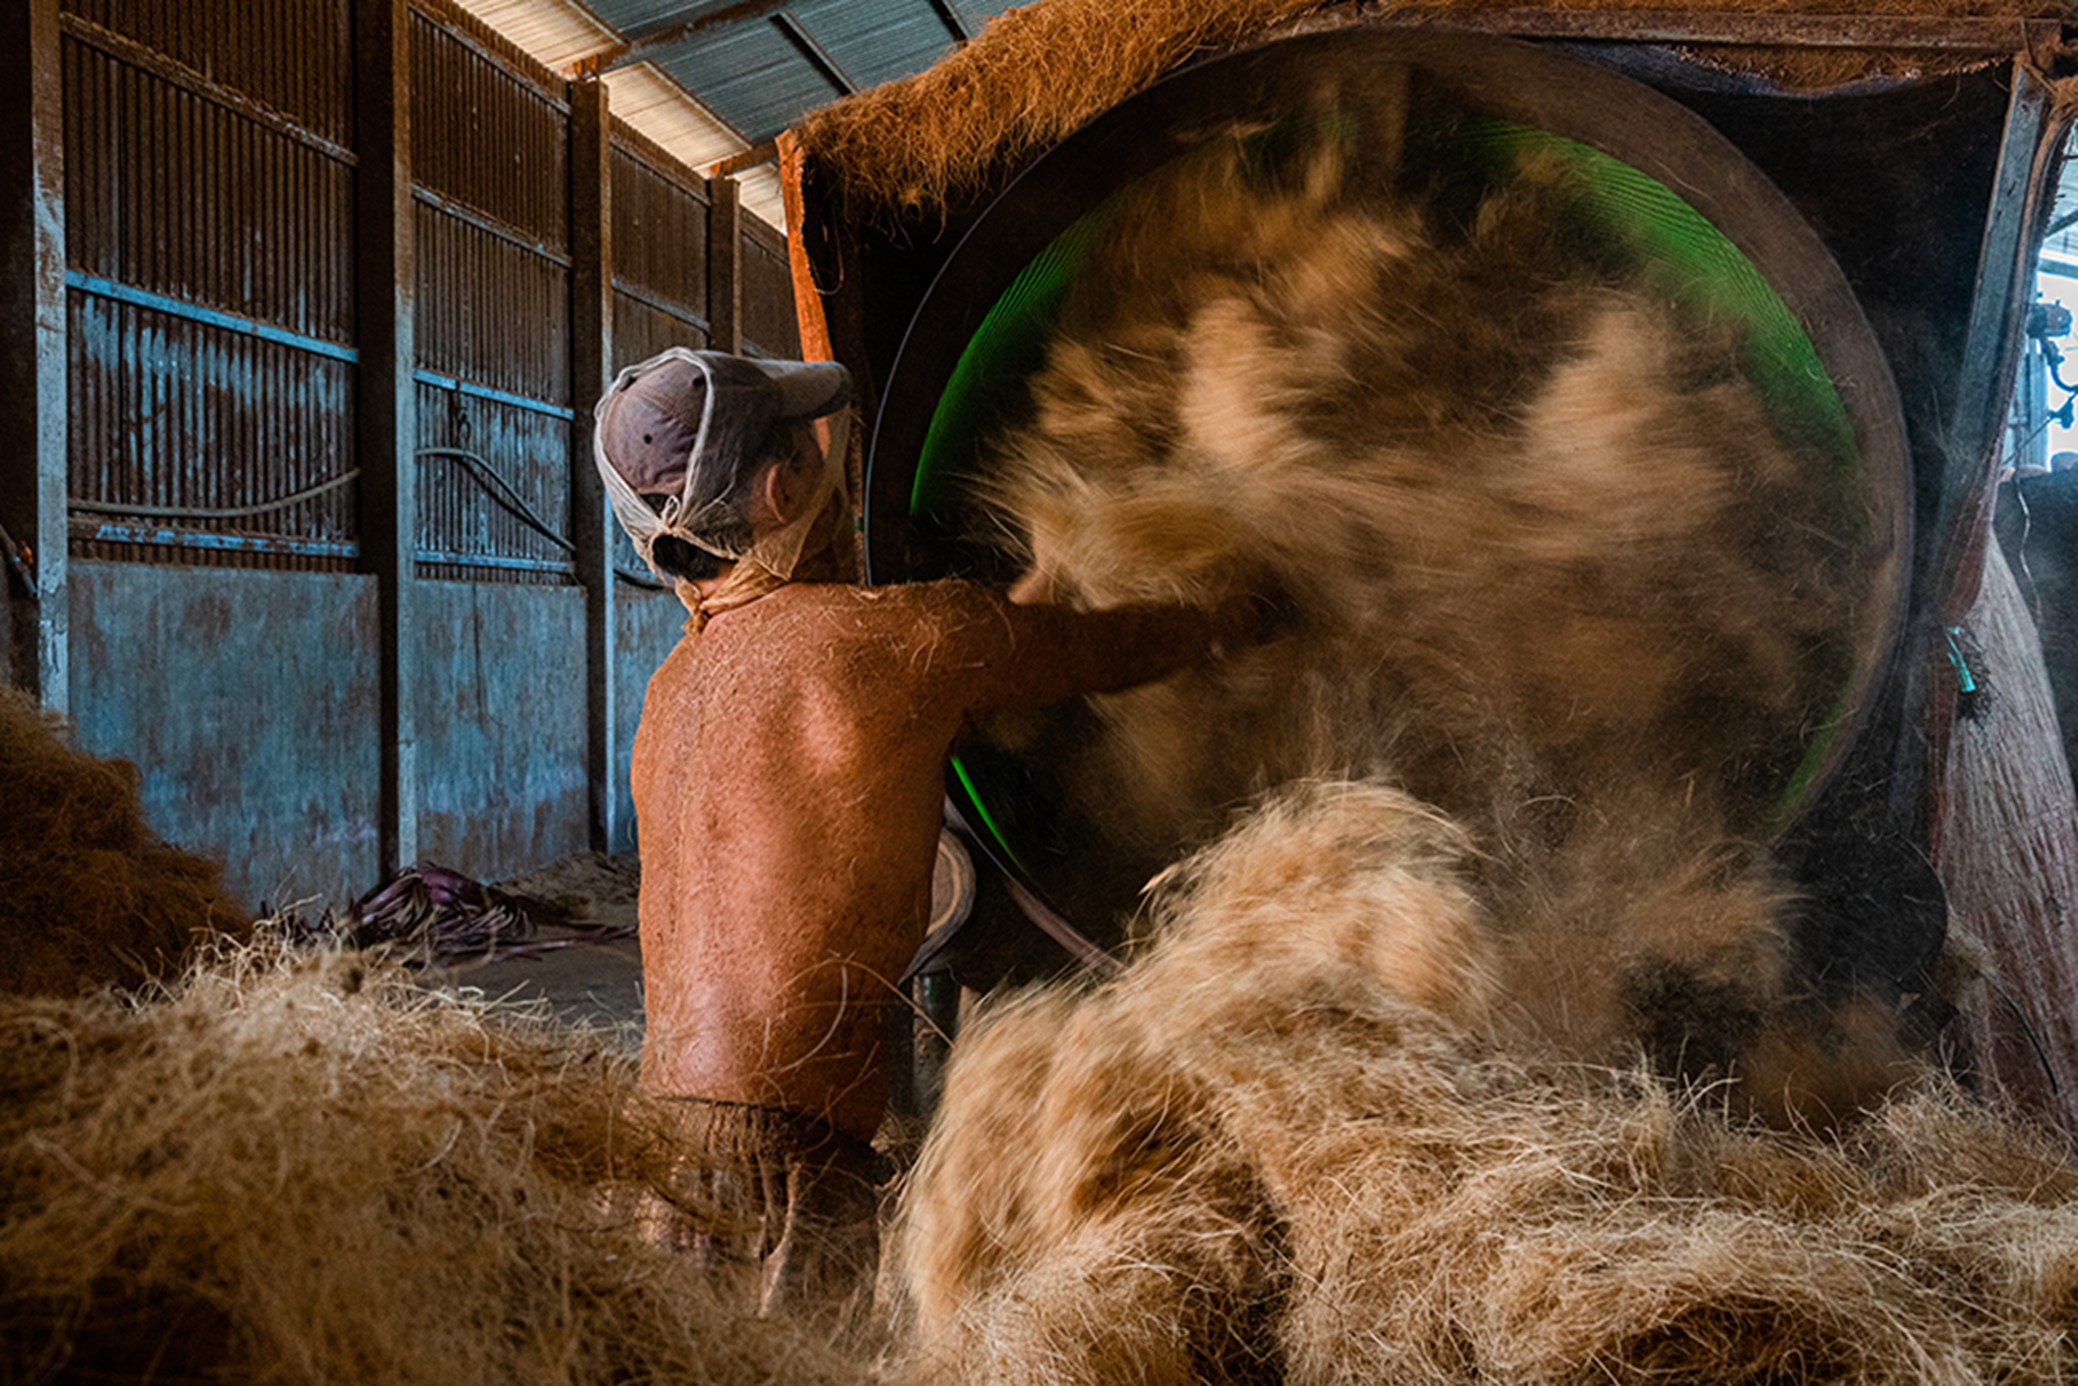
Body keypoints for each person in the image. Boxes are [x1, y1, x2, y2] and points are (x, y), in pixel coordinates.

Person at [593, 348, 1263, 1319]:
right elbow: (1101, 653)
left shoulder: (670, 694)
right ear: (783, 488)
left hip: (651, 1165)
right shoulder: (889, 645)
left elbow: (901, 704)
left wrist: (1030, 588)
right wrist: (1233, 616)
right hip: (787, 1184)